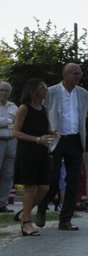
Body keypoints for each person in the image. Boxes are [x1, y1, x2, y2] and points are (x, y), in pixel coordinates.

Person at [44, 62, 88, 229]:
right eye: (74, 73)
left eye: (79, 73)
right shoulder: (51, 91)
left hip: (75, 140)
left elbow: (84, 116)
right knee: (53, 180)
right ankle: (42, 207)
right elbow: (43, 112)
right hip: (56, 139)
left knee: (73, 181)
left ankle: (65, 219)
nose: (78, 76)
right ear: (65, 75)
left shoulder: (83, 93)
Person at [13, 79, 55, 236]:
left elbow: (46, 128)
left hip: (43, 152)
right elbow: (15, 132)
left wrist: (52, 132)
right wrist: (37, 139)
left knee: (44, 187)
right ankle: (26, 223)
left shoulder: (44, 109)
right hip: (28, 152)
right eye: (42, 87)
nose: (46, 90)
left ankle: (24, 213)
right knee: (30, 187)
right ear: (33, 91)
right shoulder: (23, 108)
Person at [0, 81, 18, 209]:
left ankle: (2, 203)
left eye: (6, 90)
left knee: (8, 174)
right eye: (1, 90)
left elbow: (20, 122)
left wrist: (5, 123)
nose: (3, 92)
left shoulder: (13, 107)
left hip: (12, 141)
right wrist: (10, 121)